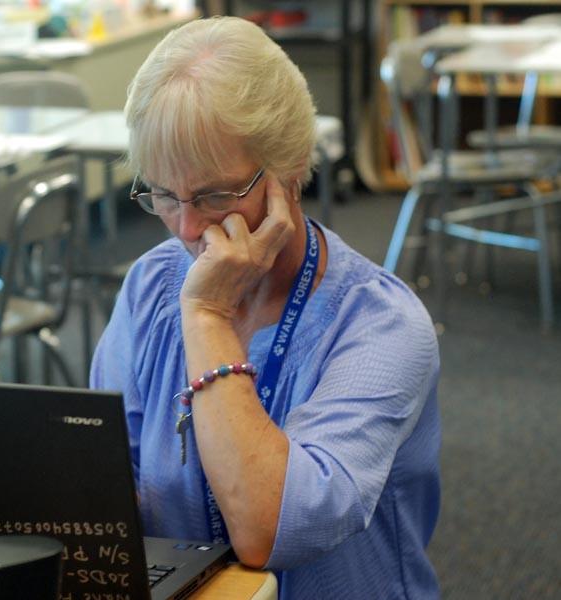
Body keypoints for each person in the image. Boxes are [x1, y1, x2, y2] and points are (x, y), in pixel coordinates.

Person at [89, 16, 441, 599]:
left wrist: (206, 315)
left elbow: (268, 530)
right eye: (163, 195)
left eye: (214, 195)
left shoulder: (382, 328)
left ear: (291, 169)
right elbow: (103, 490)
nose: (187, 228)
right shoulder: (151, 286)